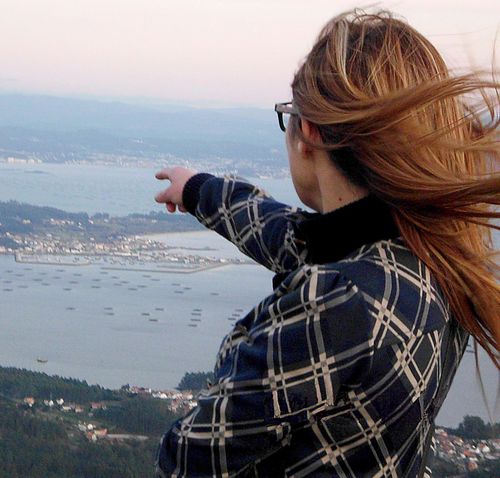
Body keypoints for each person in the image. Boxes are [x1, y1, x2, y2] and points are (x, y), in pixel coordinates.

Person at [153, 9, 499, 477]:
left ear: (309, 130)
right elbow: (293, 236)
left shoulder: (341, 301)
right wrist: (198, 189)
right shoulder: (432, 251)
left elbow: (192, 456)